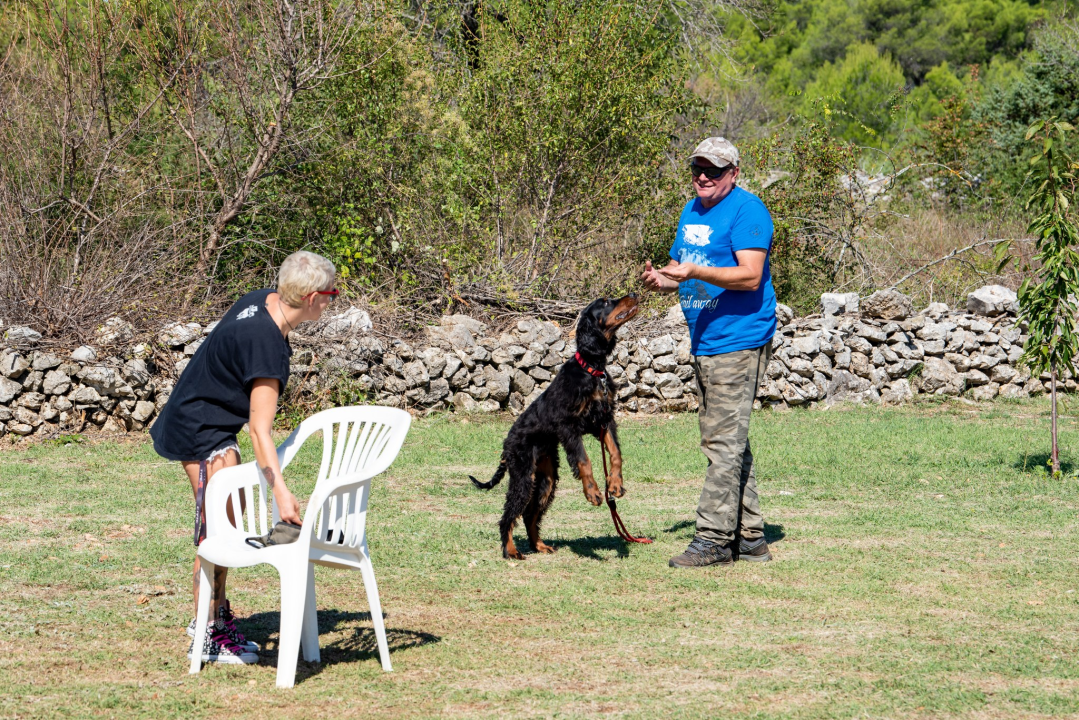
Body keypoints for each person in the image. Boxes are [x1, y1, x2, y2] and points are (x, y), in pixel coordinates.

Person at [150, 250, 339, 663]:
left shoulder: (264, 301)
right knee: (218, 531)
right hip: (200, 429)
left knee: (226, 524)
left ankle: (215, 619)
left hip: (212, 421)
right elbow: (259, 430)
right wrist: (282, 493)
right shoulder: (266, 345)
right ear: (311, 298)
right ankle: (207, 634)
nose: (332, 301)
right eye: (331, 294)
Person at [640, 137, 777, 568]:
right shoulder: (692, 210)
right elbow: (682, 271)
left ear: (733, 173)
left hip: (739, 339)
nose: (703, 176)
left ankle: (714, 540)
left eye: (713, 170)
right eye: (697, 168)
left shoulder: (748, 210)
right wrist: (663, 280)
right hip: (706, 339)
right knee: (729, 441)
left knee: (722, 443)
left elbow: (750, 276)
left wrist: (695, 270)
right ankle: (750, 538)